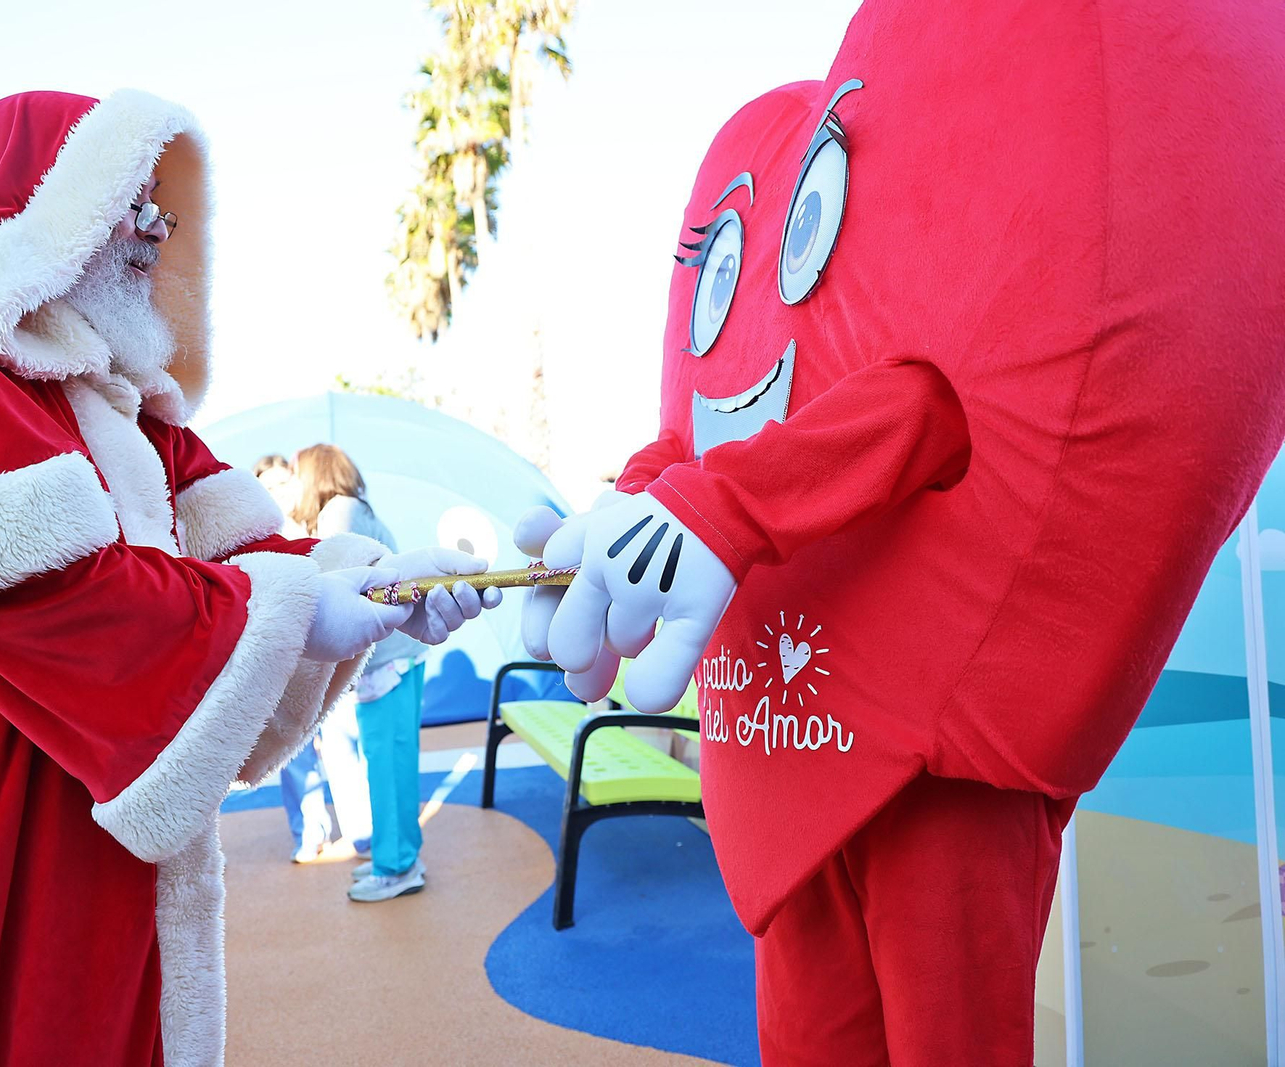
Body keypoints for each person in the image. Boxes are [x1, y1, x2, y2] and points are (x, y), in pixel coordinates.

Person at [519, 1, 1285, 1062]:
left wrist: (719, 509)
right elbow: (699, 422)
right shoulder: (810, 265)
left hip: (935, 758)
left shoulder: (939, 303)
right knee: (809, 1031)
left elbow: (919, 408)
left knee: (946, 1033)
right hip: (791, 749)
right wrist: (609, 520)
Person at [0, 90, 495, 1066]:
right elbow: (65, 600)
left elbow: (241, 567)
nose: (155, 231)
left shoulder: (121, 405)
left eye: (163, 210)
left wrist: (384, 589)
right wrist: (303, 607)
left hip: (81, 874)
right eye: (127, 203)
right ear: (46, 212)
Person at [292, 444, 471, 902]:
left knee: (388, 764)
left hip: (388, 661)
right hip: (396, 657)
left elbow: (338, 578)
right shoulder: (355, 508)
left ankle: (397, 866)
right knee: (390, 760)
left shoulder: (340, 512)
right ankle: (396, 854)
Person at [253, 454, 336, 863]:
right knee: (295, 753)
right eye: (268, 486)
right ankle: (310, 830)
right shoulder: (258, 535)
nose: (277, 492)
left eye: (283, 483)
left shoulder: (319, 526)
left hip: (333, 656)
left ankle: (363, 830)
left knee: (342, 747)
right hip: (287, 659)